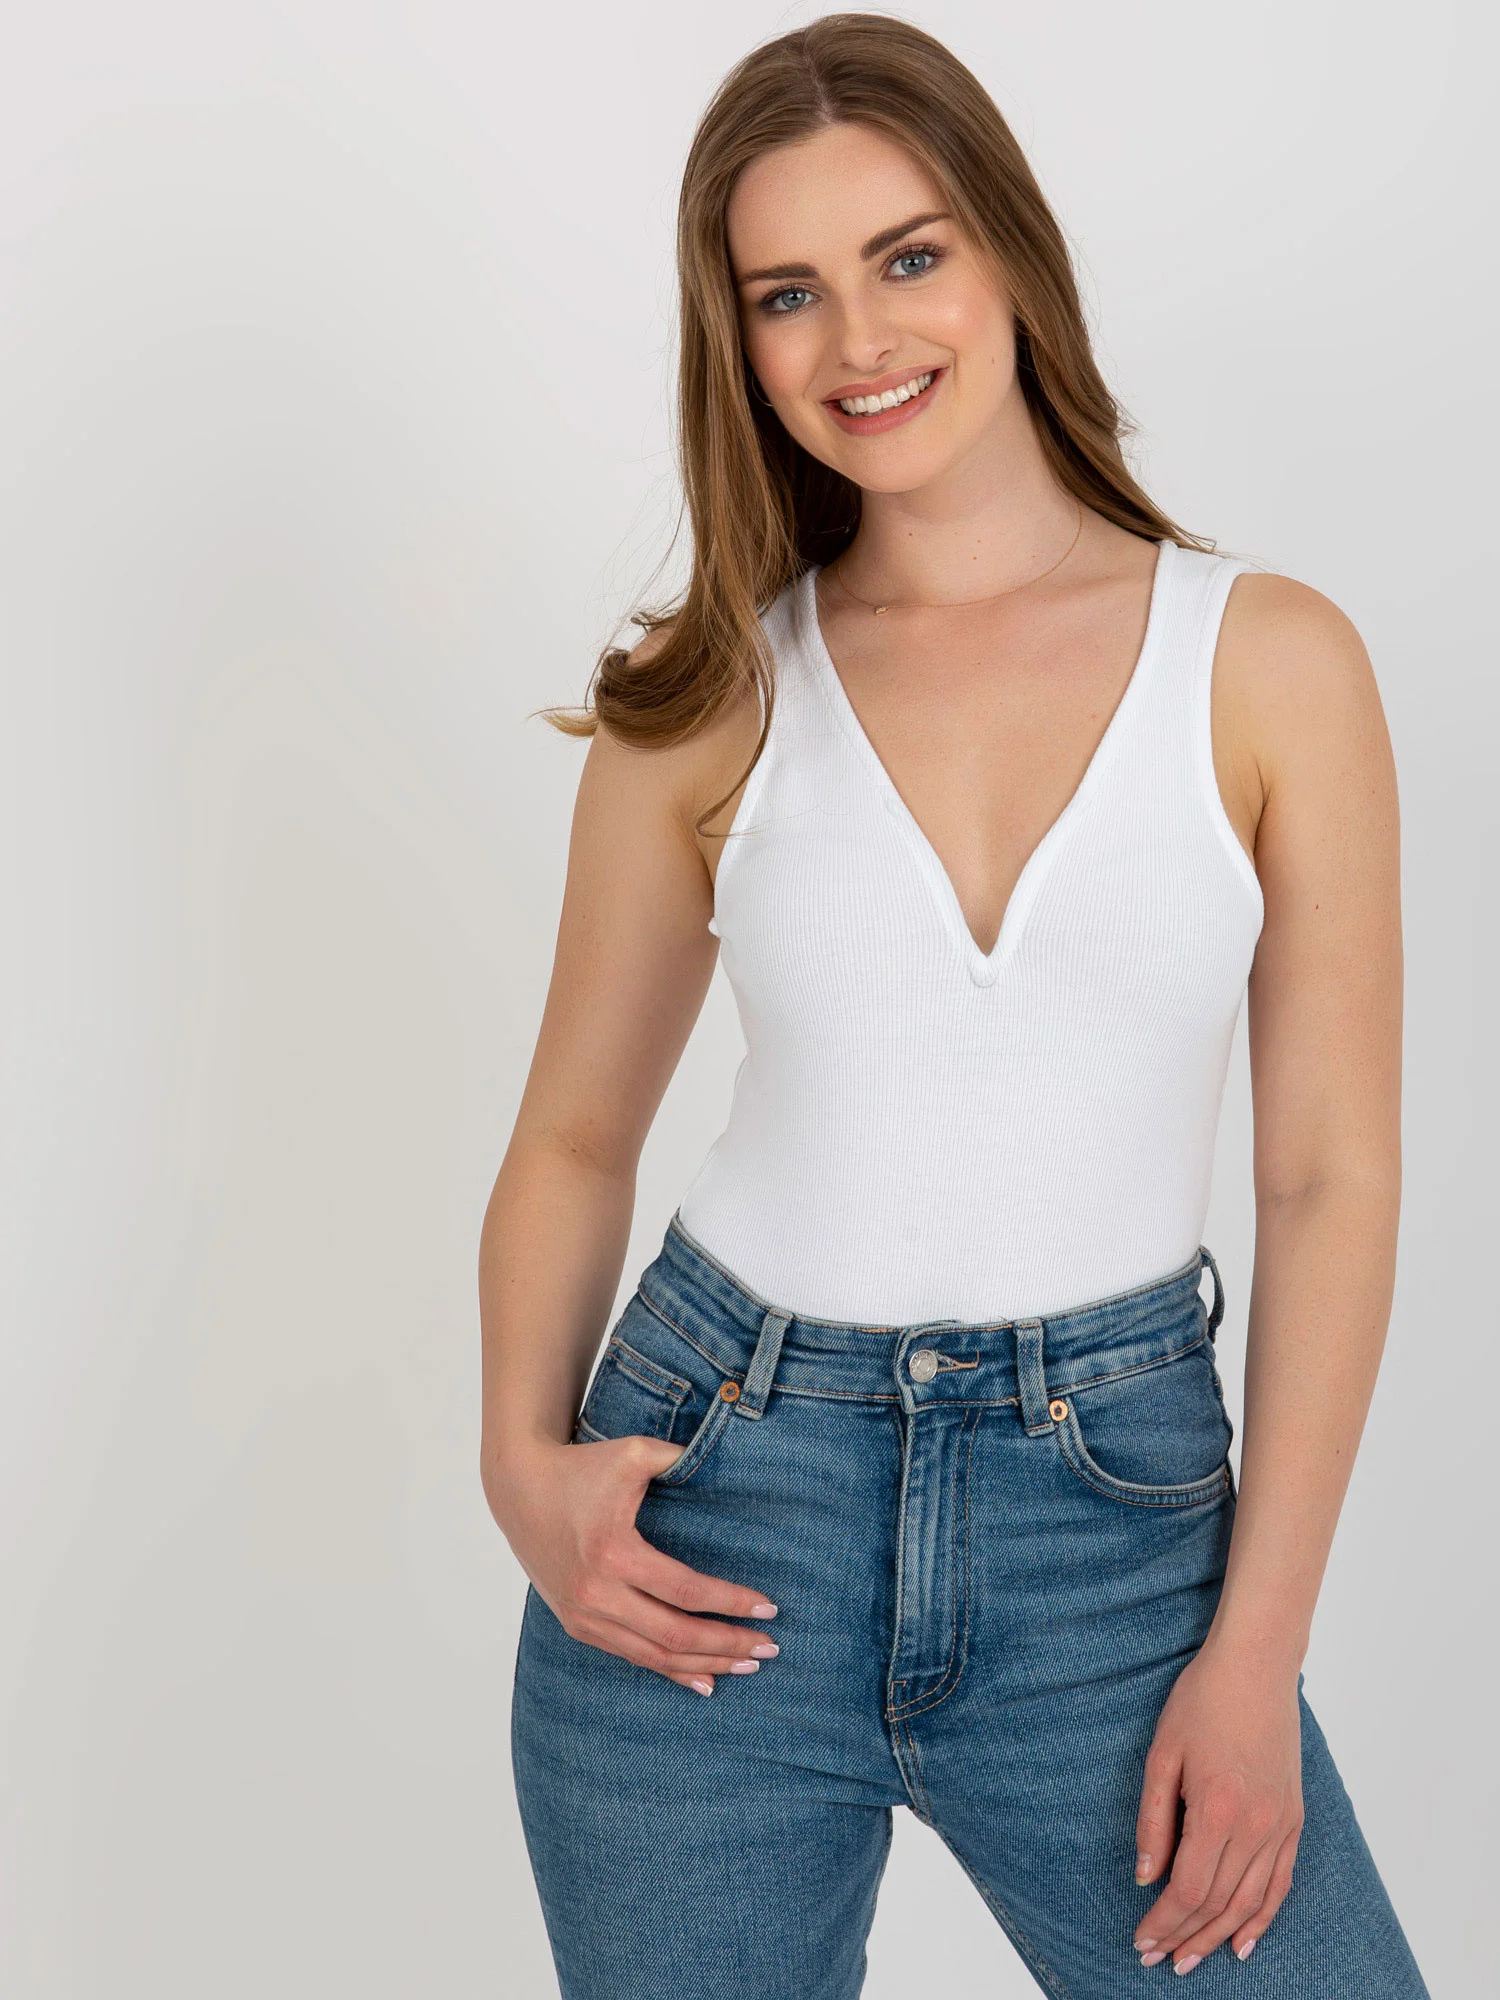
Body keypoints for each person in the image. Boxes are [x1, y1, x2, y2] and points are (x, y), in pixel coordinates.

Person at [479, 14, 1428, 1996]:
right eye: (786, 293)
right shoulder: (710, 698)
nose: (859, 339)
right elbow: (574, 1132)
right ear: (737, 342)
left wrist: (1256, 1651)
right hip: (711, 1513)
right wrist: (519, 1467)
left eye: (907, 255)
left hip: (1115, 1537)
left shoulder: (1269, 664)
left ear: (1008, 253)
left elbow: (1329, 1176)